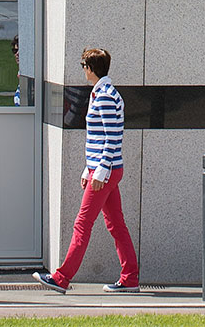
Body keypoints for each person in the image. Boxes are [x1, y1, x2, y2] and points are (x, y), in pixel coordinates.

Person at [36, 47, 140, 293]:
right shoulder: (103, 93)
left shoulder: (104, 96)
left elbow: (112, 137)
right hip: (105, 169)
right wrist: (89, 168)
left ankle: (61, 278)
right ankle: (130, 277)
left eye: (84, 65)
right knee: (116, 224)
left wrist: (100, 171)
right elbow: (101, 136)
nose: (82, 70)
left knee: (83, 223)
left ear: (92, 68)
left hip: (105, 171)